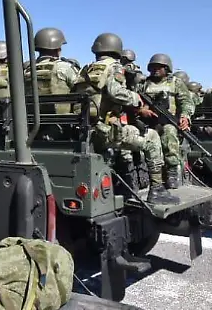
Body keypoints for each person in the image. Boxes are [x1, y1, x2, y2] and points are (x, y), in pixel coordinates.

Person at [74, 34, 177, 203]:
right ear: (116, 49)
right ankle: (157, 189)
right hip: (105, 131)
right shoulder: (114, 67)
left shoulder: (87, 68)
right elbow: (115, 92)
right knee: (152, 138)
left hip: (86, 129)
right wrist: (136, 98)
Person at [139, 53, 191, 187]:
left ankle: (172, 172)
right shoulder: (144, 84)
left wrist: (185, 116)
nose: (156, 69)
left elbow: (186, 101)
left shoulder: (175, 83)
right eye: (153, 67)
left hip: (168, 121)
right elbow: (135, 100)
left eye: (160, 67)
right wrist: (141, 110)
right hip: (148, 121)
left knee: (169, 133)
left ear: (167, 68)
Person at [28, 27, 81, 116]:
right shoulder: (64, 67)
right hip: (62, 123)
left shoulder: (28, 70)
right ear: (58, 49)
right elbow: (80, 90)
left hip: (33, 123)